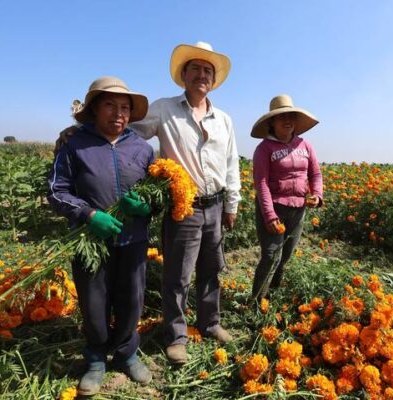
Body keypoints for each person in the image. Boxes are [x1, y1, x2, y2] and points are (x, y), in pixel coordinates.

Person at [130, 41, 241, 365]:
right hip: (184, 207)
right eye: (195, 68)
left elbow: (231, 163)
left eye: (207, 70)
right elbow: (131, 135)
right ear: (183, 74)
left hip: (216, 205)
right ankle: (176, 336)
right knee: (177, 276)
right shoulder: (163, 109)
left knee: (211, 270)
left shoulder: (224, 119)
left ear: (213, 79)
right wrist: (152, 168)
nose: (201, 74)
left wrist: (232, 204)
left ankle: (210, 324)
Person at [47, 76, 154, 395]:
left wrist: (146, 206)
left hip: (133, 240)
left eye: (125, 107)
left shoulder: (143, 148)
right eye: (110, 105)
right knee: (94, 303)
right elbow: (57, 190)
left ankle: (126, 353)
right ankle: (95, 359)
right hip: (89, 241)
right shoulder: (75, 145)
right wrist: (89, 214)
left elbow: (156, 194)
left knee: (132, 301)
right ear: (94, 109)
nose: (119, 113)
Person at [250, 94, 323, 300]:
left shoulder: (305, 145)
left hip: (298, 209)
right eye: (281, 117)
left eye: (290, 115)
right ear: (272, 122)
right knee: (271, 256)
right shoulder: (264, 149)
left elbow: (315, 174)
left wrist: (317, 194)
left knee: (285, 257)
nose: (287, 120)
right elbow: (261, 183)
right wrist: (269, 215)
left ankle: (271, 298)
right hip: (274, 208)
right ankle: (257, 302)